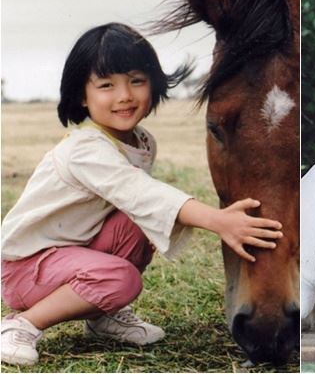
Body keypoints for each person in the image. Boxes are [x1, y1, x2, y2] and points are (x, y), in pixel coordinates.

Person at [0, 23, 284, 366]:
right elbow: (140, 193)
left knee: (139, 224)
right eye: (106, 85)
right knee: (122, 278)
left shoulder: (142, 140)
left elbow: (139, 207)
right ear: (80, 95)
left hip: (73, 249)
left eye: (136, 80)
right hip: (29, 266)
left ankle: (103, 318)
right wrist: (217, 220)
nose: (124, 95)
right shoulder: (85, 148)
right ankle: (23, 325)